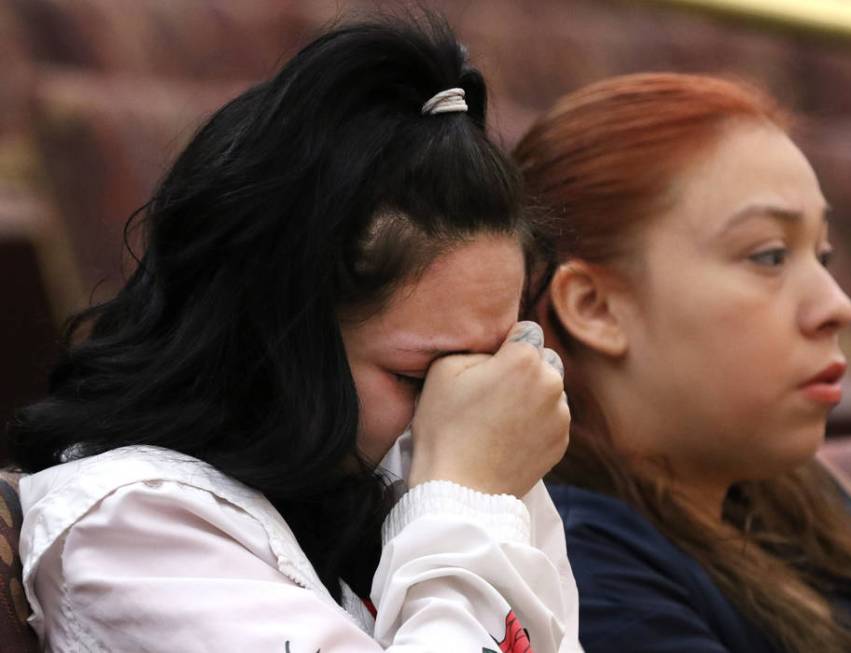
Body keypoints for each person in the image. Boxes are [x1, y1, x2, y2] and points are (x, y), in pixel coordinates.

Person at [4, 17, 579, 652]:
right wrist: (467, 500)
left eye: (493, 360)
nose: (466, 399)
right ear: (277, 337)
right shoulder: (134, 524)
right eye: (418, 376)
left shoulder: (394, 479)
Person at [514, 72, 851, 653]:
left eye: (823, 254)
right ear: (595, 307)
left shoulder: (792, 504)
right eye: (770, 256)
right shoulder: (579, 572)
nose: (837, 306)